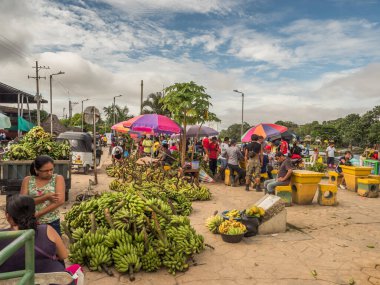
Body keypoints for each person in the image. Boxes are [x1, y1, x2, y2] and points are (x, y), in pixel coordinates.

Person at [0, 195, 67, 273]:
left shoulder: (2, 236)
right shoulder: (47, 230)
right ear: (34, 213)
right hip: (52, 280)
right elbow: (64, 255)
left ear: (8, 216)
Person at [20, 155, 65, 236]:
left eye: (51, 169)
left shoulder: (58, 179)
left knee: (52, 247)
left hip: (52, 222)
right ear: (36, 170)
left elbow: (60, 201)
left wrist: (38, 214)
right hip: (29, 222)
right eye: (45, 171)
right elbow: (23, 202)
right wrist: (45, 197)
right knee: (31, 247)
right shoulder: (27, 180)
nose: (50, 173)